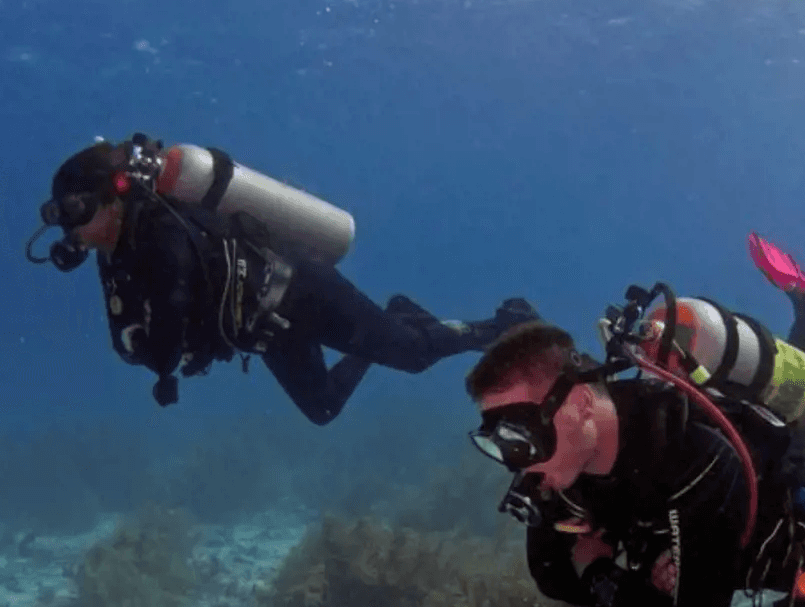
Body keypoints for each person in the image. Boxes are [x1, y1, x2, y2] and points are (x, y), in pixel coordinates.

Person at [463, 244, 805, 607]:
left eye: (517, 437)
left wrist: (599, 570)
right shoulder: (555, 466)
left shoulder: (693, 459)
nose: (516, 463)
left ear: (576, 404)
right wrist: (636, 577)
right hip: (725, 505)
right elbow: (550, 578)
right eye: (497, 442)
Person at [26, 134, 538, 422]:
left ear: (114, 196)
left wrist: (162, 369)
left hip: (299, 289)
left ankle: (499, 325)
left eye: (79, 210)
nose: (73, 227)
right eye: (64, 216)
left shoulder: (159, 227)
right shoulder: (115, 250)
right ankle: (397, 317)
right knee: (322, 407)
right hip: (266, 327)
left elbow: (175, 296)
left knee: (412, 356)